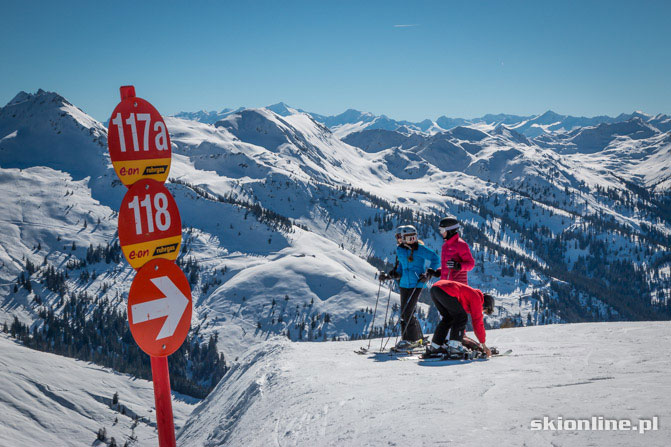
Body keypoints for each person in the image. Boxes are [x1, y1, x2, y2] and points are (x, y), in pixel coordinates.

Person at [379, 225, 440, 349]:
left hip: (417, 283)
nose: (398, 239)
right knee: (405, 313)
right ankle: (412, 339)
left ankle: (411, 341)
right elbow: (401, 266)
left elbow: (435, 258)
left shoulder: (420, 249)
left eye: (400, 237)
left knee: (407, 312)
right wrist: (393, 274)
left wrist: (429, 273)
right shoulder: (400, 250)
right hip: (404, 283)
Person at [422, 279, 495, 358]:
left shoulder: (472, 295)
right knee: (461, 316)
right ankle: (455, 347)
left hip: (435, 289)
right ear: (485, 305)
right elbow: (477, 323)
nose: (482, 311)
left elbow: (457, 319)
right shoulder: (477, 299)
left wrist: (462, 334)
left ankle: (435, 346)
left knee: (448, 318)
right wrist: (483, 344)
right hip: (445, 290)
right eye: (484, 310)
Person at [425, 216, 475, 285]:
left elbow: (471, 264)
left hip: (457, 285)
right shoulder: (445, 246)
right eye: (440, 230)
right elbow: (446, 266)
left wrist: (459, 266)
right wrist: (437, 272)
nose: (441, 232)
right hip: (445, 284)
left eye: (442, 230)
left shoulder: (461, 244)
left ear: (450, 230)